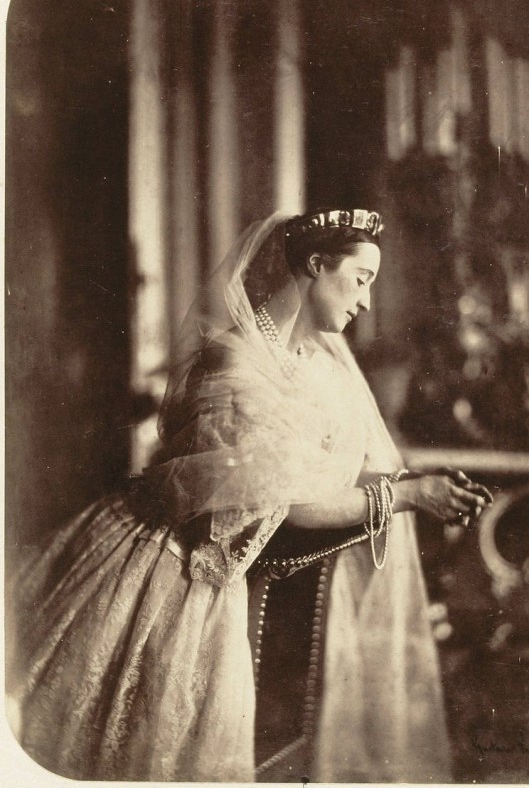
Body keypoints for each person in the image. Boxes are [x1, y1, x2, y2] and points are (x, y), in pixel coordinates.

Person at [8, 209, 492, 782]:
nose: (366, 302)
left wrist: (416, 483)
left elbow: (324, 475)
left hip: (237, 575)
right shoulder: (235, 360)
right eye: (361, 280)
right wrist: (409, 497)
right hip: (172, 573)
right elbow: (282, 504)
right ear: (316, 264)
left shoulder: (318, 366)